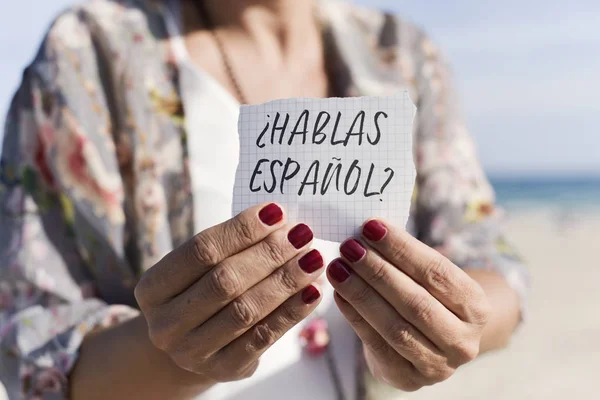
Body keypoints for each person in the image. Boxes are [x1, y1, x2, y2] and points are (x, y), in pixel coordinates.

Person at [0, 0, 529, 399]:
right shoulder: (91, 51)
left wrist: (456, 323)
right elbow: (27, 342)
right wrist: (175, 357)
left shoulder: (401, 53)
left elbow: (489, 259)